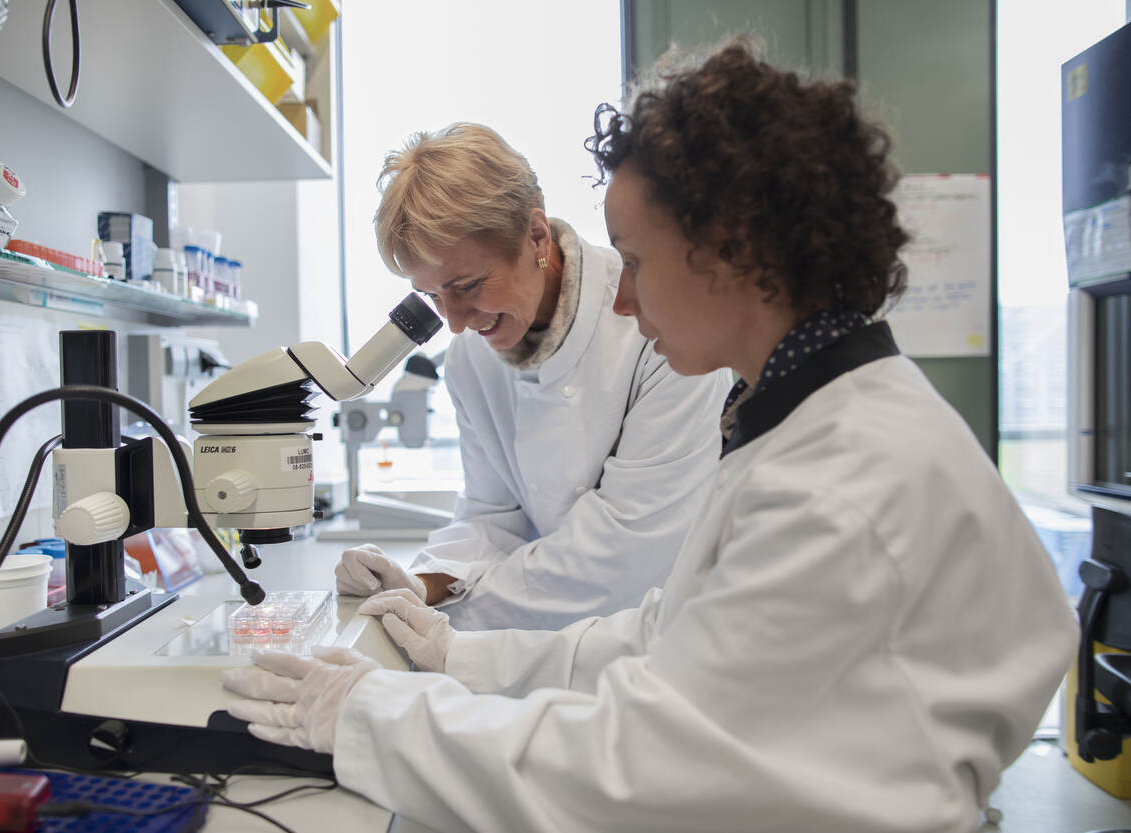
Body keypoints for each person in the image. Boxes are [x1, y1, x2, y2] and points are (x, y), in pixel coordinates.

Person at [223, 40, 1077, 832]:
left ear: (731, 250)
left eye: (633, 259)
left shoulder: (840, 484)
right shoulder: (809, 425)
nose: (622, 299)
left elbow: (639, 763)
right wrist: (459, 649)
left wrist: (374, 715)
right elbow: (664, 634)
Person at [334, 122, 732, 630]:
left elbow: (626, 552)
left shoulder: (655, 328)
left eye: (468, 286)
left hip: (667, 635)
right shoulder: (470, 359)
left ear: (537, 236)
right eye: (433, 296)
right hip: (549, 644)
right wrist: (420, 585)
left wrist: (448, 615)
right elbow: (491, 517)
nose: (454, 322)